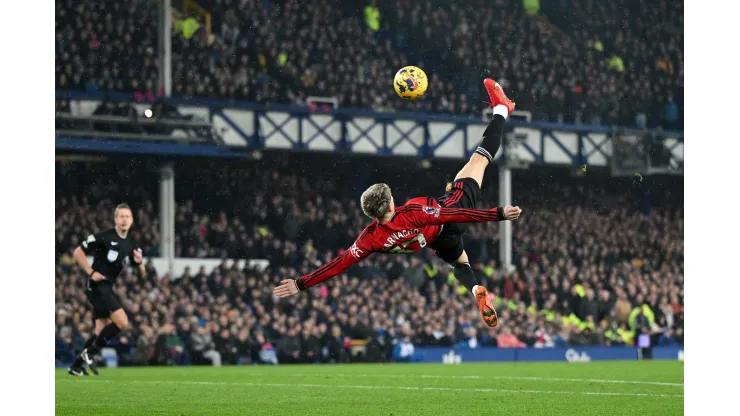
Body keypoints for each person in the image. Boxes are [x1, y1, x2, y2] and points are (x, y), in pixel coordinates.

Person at [273, 78, 522, 328]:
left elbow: (338, 265)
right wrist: (498, 213)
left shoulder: (370, 238)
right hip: (451, 214)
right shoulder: (412, 211)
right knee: (479, 159)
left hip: (437, 241)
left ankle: (476, 288)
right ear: (391, 204)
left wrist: (300, 283)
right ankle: (501, 109)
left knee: (460, 263)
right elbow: (451, 216)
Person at [67, 203, 146, 376]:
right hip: (95, 285)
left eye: (127, 216)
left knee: (99, 333)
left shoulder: (132, 243)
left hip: (107, 287)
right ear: (115, 219)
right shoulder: (104, 237)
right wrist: (90, 271)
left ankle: (76, 366)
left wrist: (140, 264)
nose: (124, 219)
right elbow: (77, 252)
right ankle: (90, 354)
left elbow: (142, 277)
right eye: (121, 216)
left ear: (132, 221)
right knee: (123, 322)